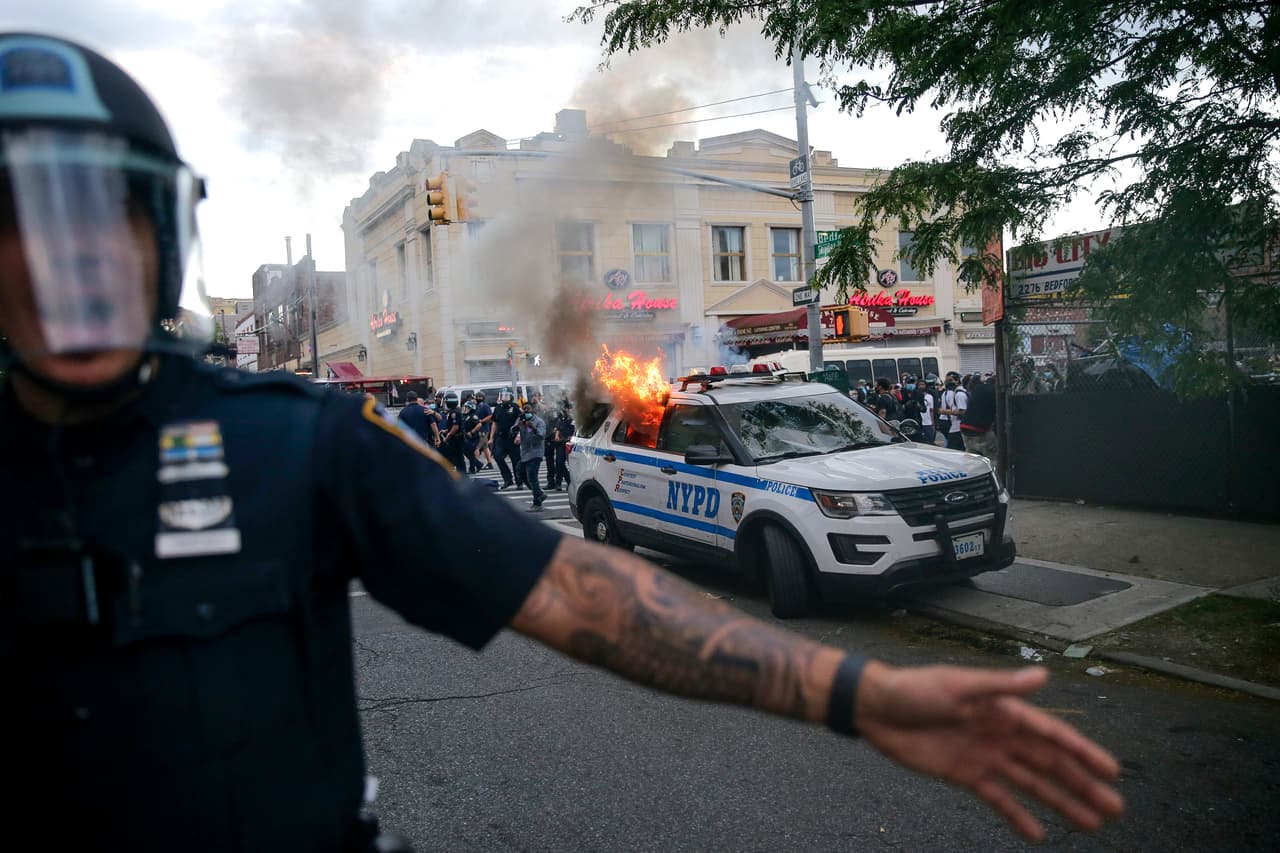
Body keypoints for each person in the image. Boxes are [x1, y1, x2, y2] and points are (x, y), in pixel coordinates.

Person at [0, 33, 1123, 853]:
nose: (63, 257)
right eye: (19, 221)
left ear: (161, 231)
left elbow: (579, 592)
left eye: (106, 210)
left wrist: (853, 693)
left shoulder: (291, 444)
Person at [515, 401, 548, 510]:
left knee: (532, 476)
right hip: (525, 453)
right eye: (524, 409)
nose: (526, 411)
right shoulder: (521, 420)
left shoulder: (539, 422)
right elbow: (513, 430)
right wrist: (518, 426)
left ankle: (537, 503)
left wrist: (532, 427)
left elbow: (541, 436)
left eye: (528, 409)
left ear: (533, 410)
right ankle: (539, 493)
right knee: (520, 471)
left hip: (535, 452)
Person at [961, 372, 999, 462]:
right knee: (993, 457)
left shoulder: (977, 389)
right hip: (980, 429)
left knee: (972, 459)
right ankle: (995, 474)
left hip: (965, 427)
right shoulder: (995, 392)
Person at [490, 389, 523, 489]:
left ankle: (519, 482)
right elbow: (494, 423)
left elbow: (522, 421)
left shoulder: (515, 407)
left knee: (515, 460)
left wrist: (519, 435)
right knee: (498, 456)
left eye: (506, 395)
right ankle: (508, 479)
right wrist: (491, 438)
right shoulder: (498, 408)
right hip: (501, 437)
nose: (504, 397)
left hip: (512, 438)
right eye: (503, 395)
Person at [547, 406, 575, 490]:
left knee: (572, 465)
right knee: (559, 462)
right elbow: (558, 428)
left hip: (571, 443)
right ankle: (560, 482)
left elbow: (577, 429)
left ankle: (570, 482)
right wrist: (556, 436)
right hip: (561, 443)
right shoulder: (562, 418)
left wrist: (572, 437)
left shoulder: (574, 419)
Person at [939, 377, 969, 450]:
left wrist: (945, 411)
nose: (948, 383)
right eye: (947, 381)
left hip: (957, 427)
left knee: (953, 450)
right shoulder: (951, 393)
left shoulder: (959, 394)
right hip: (956, 425)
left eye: (951, 380)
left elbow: (963, 411)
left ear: (957, 381)